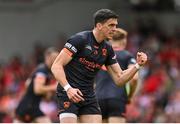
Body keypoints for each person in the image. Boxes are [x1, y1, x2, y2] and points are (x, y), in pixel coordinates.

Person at [51, 8, 147, 123]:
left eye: (116, 25)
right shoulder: (79, 40)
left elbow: (119, 79)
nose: (114, 29)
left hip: (89, 96)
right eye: (111, 25)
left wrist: (137, 66)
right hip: (68, 93)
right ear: (99, 25)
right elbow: (56, 66)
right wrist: (68, 88)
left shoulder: (107, 49)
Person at [95, 28, 138, 123]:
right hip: (117, 98)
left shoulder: (99, 56)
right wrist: (130, 96)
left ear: (109, 40)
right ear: (124, 41)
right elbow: (134, 78)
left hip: (98, 99)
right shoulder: (127, 55)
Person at [14, 47, 59, 123]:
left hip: (32, 107)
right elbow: (37, 89)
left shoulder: (46, 71)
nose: (56, 59)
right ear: (47, 57)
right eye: (54, 57)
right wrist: (53, 87)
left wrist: (48, 92)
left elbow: (28, 84)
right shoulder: (42, 70)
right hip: (27, 107)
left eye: (57, 57)